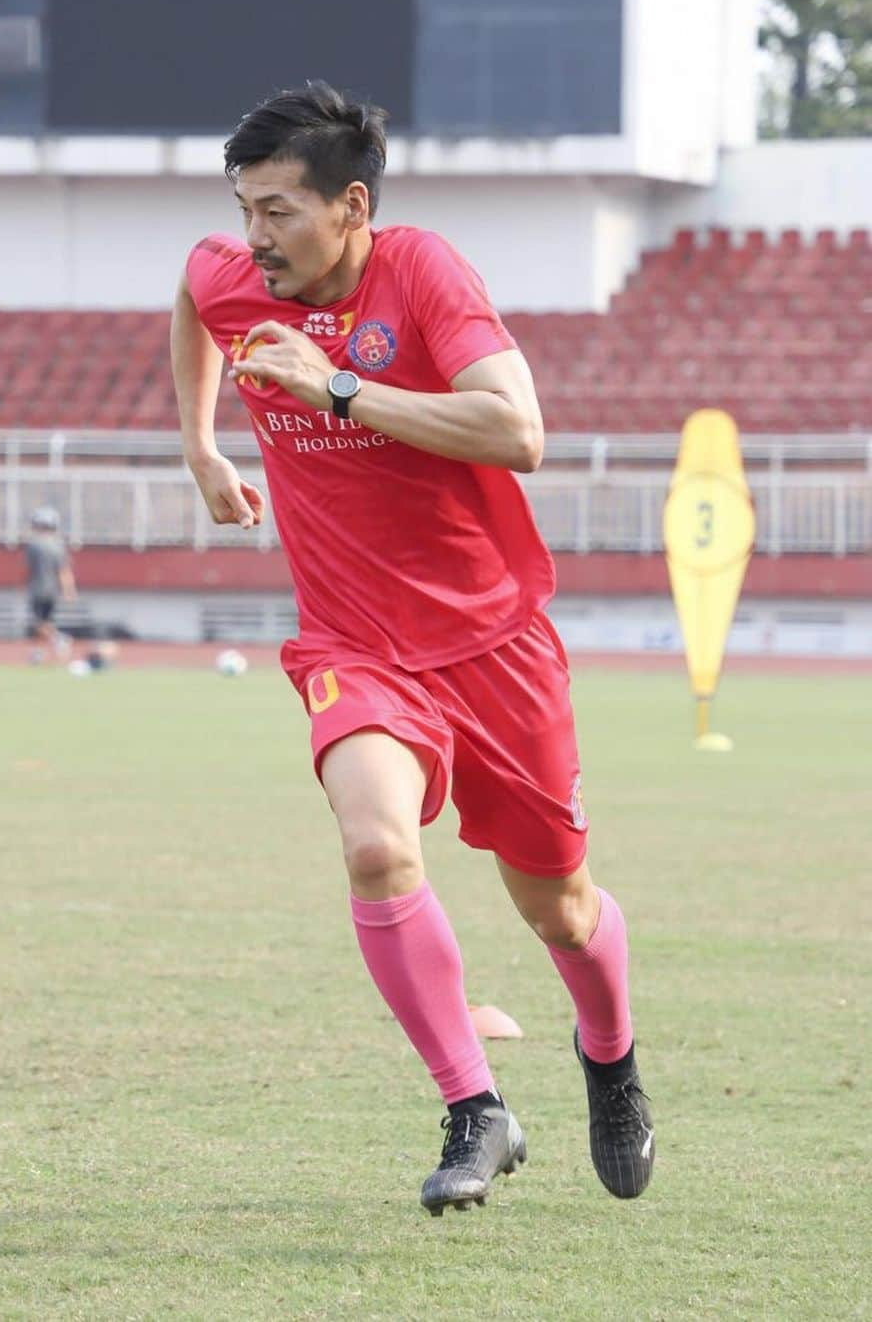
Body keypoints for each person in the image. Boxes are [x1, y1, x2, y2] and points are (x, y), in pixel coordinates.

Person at [170, 81, 654, 1215]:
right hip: (353, 643)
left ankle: (610, 1054)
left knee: (562, 911)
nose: (254, 237)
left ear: (352, 206)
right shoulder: (238, 275)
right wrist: (198, 446)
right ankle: (475, 1106)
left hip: (494, 642)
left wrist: (336, 388)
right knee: (378, 848)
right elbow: (194, 297)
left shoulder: (425, 273)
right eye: (245, 207)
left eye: (279, 210)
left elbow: (517, 431)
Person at [23, 505, 76, 663]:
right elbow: (64, 570)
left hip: (38, 589)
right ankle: (37, 654)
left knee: (40, 624)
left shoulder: (34, 546)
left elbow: (28, 569)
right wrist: (68, 590)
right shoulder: (59, 546)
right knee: (44, 623)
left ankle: (59, 639)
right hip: (53, 591)